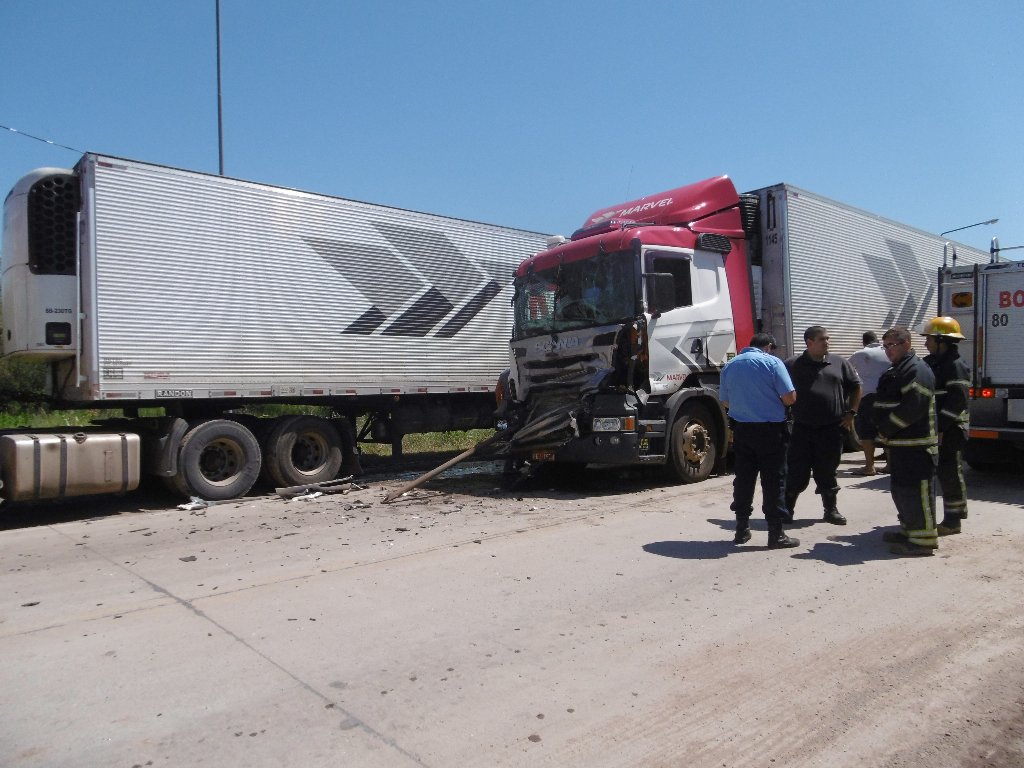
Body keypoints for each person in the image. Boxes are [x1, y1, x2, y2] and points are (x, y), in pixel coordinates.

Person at [719, 333, 800, 549]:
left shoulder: (730, 365)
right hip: (771, 432)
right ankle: (776, 534)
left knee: (744, 480)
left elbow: (725, 400)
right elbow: (789, 398)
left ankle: (741, 529)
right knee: (774, 481)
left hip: (743, 431)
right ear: (769, 346)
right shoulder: (773, 362)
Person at [784, 326, 862, 525]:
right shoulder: (793, 365)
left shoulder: (839, 363)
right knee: (796, 472)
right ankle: (786, 510)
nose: (827, 342)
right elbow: (778, 390)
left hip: (831, 429)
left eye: (827, 339)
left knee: (827, 471)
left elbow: (856, 387)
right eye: (822, 339)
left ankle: (831, 510)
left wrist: (851, 412)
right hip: (802, 429)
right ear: (809, 342)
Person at [873, 326, 939, 556]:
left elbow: (913, 407)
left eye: (892, 345)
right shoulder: (901, 368)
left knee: (916, 493)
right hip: (902, 445)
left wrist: (885, 429)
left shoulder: (916, 369)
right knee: (902, 492)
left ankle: (922, 542)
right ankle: (909, 530)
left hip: (916, 446)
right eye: (885, 346)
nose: (888, 350)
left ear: (907, 344)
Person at [921, 316, 970, 536]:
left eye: (929, 339)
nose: (926, 343)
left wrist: (940, 427)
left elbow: (958, 401)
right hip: (935, 428)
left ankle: (953, 520)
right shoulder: (932, 362)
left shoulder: (955, 366)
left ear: (942, 340)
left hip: (949, 429)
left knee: (950, 472)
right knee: (936, 472)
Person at [847, 331, 892, 475]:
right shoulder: (888, 352)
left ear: (863, 341)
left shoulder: (860, 353)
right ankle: (890, 465)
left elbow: (846, 370)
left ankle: (869, 466)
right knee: (887, 430)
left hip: (868, 397)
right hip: (887, 396)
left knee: (867, 432)